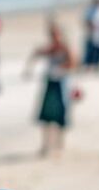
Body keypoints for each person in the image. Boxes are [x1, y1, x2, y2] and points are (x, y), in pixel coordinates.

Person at [26, 21, 75, 157]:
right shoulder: (50, 48)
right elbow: (36, 54)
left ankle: (60, 144)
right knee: (47, 116)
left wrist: (59, 69)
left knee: (61, 115)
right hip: (50, 82)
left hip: (62, 83)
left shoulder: (65, 48)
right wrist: (29, 68)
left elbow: (73, 63)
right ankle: (46, 145)